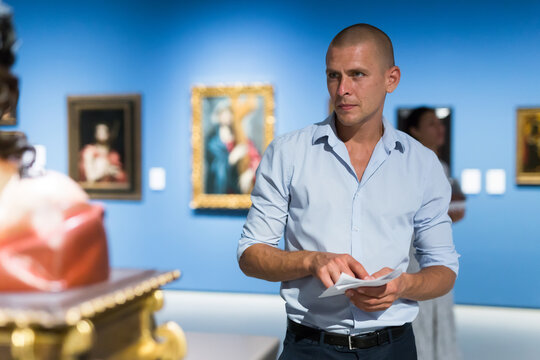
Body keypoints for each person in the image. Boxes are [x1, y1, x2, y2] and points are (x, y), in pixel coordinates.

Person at [237, 23, 459, 360]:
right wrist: (311, 260)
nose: (342, 89)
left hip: (394, 348)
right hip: (308, 347)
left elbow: (443, 270)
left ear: (391, 79)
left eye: (357, 75)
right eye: (333, 75)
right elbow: (251, 255)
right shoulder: (287, 153)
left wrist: (402, 286)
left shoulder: (422, 164)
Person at [403, 107, 465, 360]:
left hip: (434, 254)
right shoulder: (409, 166)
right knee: (420, 316)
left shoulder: (441, 165)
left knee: (438, 311)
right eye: (431, 124)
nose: (439, 129)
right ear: (414, 130)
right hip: (413, 256)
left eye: (440, 124)